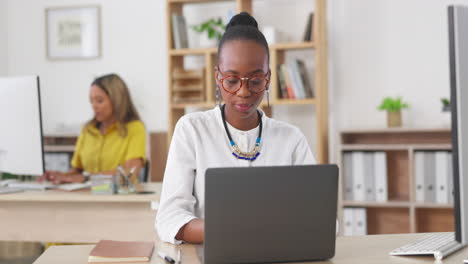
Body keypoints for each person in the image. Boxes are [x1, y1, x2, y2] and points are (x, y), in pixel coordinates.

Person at [156, 12, 316, 244]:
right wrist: (231, 230)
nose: (243, 91)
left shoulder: (291, 138)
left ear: (268, 79)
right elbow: (169, 218)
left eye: (256, 80)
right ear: (218, 77)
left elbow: (323, 220)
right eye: (232, 80)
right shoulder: (192, 129)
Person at [40, 73, 146, 184]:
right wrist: (60, 176)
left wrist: (87, 178)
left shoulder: (135, 128)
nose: (94, 106)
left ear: (117, 101)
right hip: (88, 196)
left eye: (99, 101)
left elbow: (129, 173)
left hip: (119, 197)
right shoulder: (87, 129)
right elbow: (77, 172)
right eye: (91, 101)